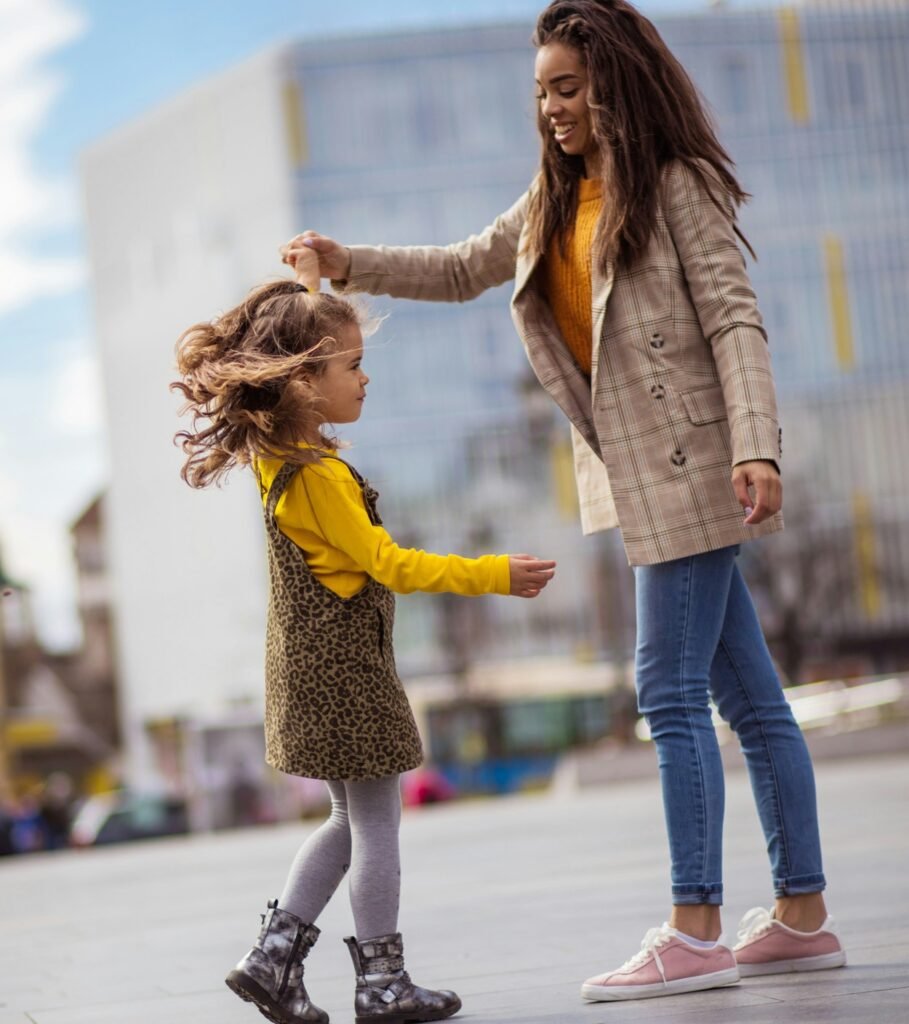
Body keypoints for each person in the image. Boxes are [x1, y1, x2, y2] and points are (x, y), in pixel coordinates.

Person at [279, 0, 846, 1004]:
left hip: (696, 463)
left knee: (668, 693)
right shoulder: (552, 203)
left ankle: (696, 924)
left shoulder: (675, 186)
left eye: (569, 87)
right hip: (639, 474)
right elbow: (458, 268)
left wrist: (758, 445)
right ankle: (800, 918)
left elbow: (735, 317)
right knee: (750, 699)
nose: (551, 107)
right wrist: (349, 260)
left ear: (614, 85)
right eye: (541, 90)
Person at [172, 245, 556, 1024]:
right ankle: (382, 983)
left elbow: (292, 343)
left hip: (306, 666)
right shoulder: (319, 477)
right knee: (376, 824)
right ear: (304, 382)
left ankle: (271, 961)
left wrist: (309, 284)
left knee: (348, 821)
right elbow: (388, 563)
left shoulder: (278, 457)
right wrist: (493, 575)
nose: (364, 375)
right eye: (350, 364)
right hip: (348, 674)